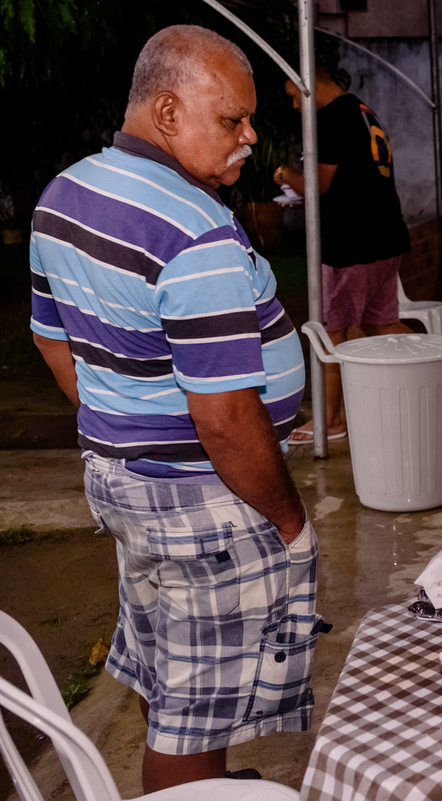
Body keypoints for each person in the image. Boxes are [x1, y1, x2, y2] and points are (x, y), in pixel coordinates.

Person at [28, 25, 320, 792]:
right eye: (232, 119)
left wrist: (122, 421)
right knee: (196, 711)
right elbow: (224, 418)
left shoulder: (67, 195)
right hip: (204, 499)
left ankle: (196, 781)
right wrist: (288, 518)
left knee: (172, 669)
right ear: (167, 111)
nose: (250, 136)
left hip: (126, 482)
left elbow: (51, 337)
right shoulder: (194, 231)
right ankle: (190, 787)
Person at [275, 64, 412, 444]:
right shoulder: (363, 111)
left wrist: (285, 174)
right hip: (385, 237)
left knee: (331, 332)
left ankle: (331, 420)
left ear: (309, 84)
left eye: (293, 96)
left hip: (352, 245)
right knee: (381, 325)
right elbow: (352, 179)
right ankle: (434, 372)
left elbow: (317, 184)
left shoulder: (331, 117)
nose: (294, 105)